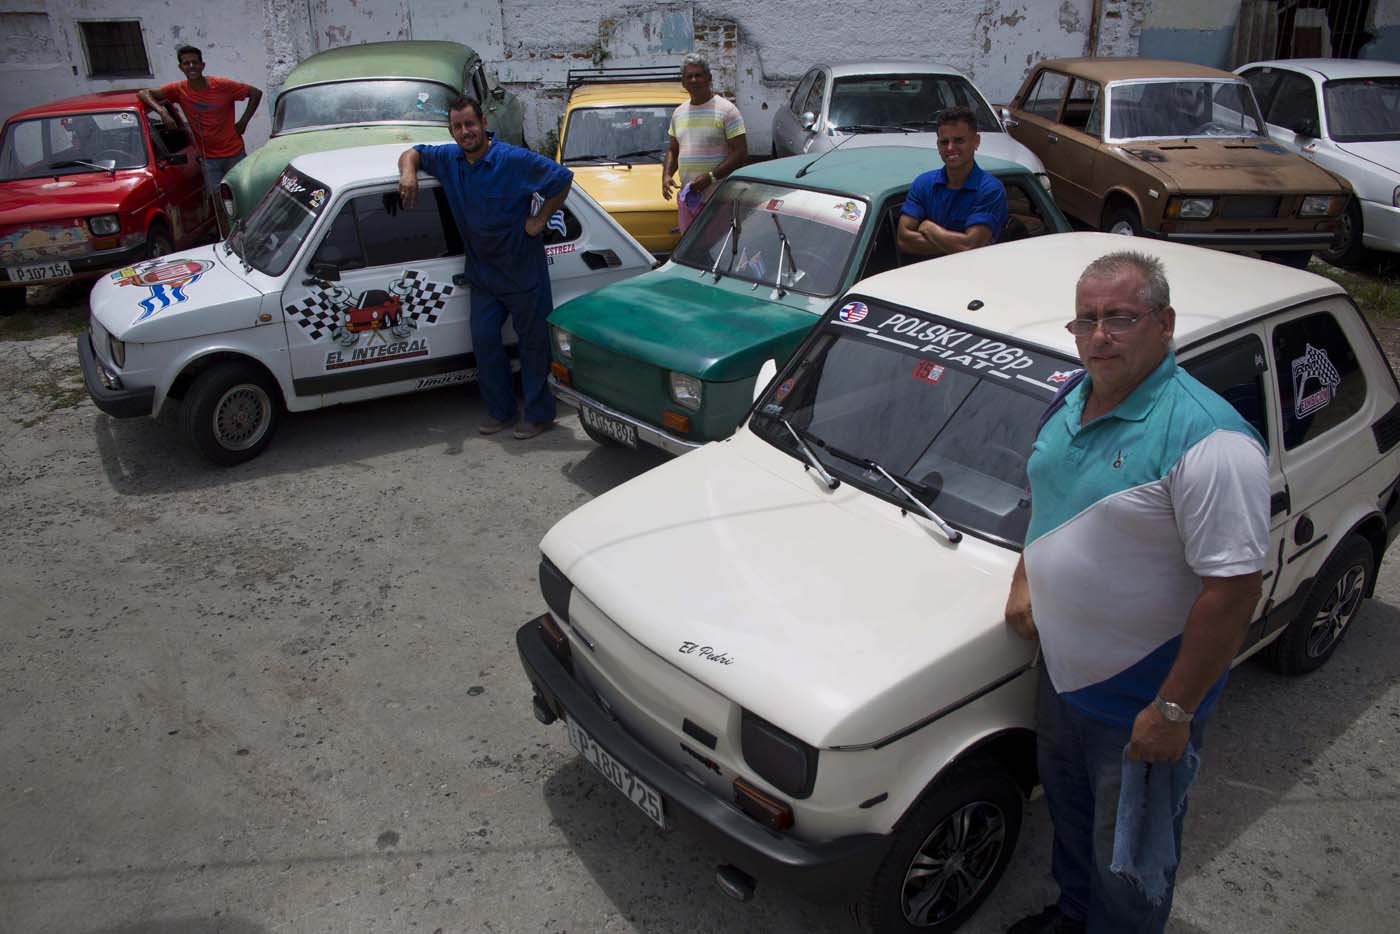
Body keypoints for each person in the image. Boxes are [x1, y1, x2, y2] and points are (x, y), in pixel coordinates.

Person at [1003, 251, 1270, 934]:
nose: (1099, 336)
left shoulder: (1209, 441)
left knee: (1132, 857)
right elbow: (1049, 492)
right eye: (1086, 319)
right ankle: (1074, 916)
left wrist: (1173, 711)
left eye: (1120, 318)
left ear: (1165, 323)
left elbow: (1233, 591)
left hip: (1140, 704)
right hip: (1064, 681)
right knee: (1072, 821)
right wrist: (1027, 573)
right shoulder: (1071, 393)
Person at [398, 96, 573, 440]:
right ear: (451, 131)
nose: (466, 132)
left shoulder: (513, 160)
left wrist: (539, 220)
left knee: (534, 347)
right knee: (484, 341)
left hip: (523, 271)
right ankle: (502, 412)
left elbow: (562, 178)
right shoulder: (450, 160)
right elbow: (412, 153)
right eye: (458, 127)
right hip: (483, 275)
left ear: (483, 123)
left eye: (470, 124)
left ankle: (539, 415)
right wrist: (408, 173)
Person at [138, 45, 261, 227]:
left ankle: (252, 235)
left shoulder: (222, 86)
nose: (191, 66)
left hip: (234, 153)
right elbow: (143, 93)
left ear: (203, 65)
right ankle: (227, 242)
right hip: (209, 159)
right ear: (181, 68)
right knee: (220, 206)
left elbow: (255, 93)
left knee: (243, 200)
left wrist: (243, 122)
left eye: (195, 62)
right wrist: (162, 112)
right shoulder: (179, 89)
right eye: (186, 63)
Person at [897, 105, 1007, 255]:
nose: (950, 148)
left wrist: (930, 228)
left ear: (976, 141)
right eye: (944, 142)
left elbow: (970, 247)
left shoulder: (990, 189)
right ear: (937, 145)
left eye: (959, 140)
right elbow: (904, 239)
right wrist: (954, 244)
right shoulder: (923, 184)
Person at [662, 53, 747, 233]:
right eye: (689, 76)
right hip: (688, 200)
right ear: (683, 82)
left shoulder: (727, 111)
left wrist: (711, 177)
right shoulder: (679, 113)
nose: (694, 80)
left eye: (698, 75)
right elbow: (673, 150)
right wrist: (667, 175)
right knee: (690, 254)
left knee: (716, 254)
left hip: (718, 201)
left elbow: (740, 153)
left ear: (709, 78)